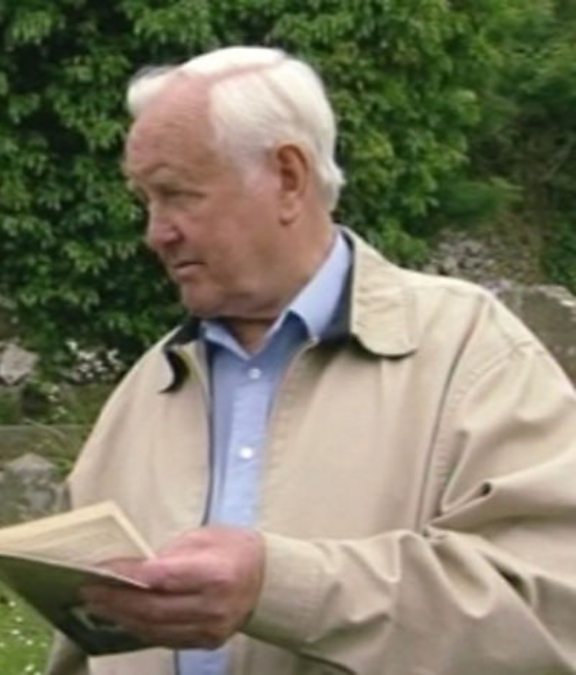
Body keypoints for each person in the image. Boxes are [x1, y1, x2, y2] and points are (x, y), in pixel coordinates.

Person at [46, 46, 576, 675]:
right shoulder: (148, 387)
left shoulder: (470, 352)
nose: (156, 232)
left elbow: (550, 611)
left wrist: (279, 588)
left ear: (288, 178)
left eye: (178, 195)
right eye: (147, 200)